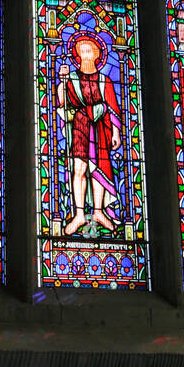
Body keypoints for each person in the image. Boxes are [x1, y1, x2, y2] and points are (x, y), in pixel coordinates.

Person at [57, 35, 122, 236]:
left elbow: (113, 108)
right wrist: (62, 81)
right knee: (79, 169)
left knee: (98, 171)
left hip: (100, 128)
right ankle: (78, 215)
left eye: (88, 51)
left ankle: (98, 212)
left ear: (96, 54)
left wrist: (117, 132)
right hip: (79, 127)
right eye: (81, 51)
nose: (84, 55)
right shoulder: (73, 78)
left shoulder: (104, 80)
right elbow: (62, 102)